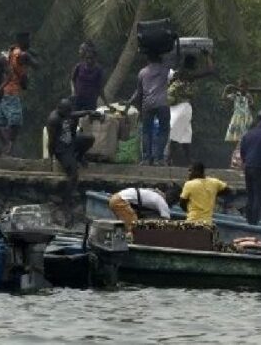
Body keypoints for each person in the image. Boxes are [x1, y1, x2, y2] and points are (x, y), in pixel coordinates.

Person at [46, 98, 99, 226]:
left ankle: (80, 156)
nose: (70, 114)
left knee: (89, 139)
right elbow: (52, 140)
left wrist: (89, 112)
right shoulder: (54, 120)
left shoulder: (67, 113)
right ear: (60, 110)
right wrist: (51, 157)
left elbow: (74, 114)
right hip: (62, 149)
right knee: (74, 174)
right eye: (67, 112)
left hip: (71, 142)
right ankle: (66, 200)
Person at [167, 51, 215, 165]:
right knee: (179, 133)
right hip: (183, 107)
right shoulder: (190, 75)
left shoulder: (176, 74)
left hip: (175, 106)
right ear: (192, 64)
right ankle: (168, 157)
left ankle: (187, 159)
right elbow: (210, 70)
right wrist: (207, 56)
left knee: (185, 134)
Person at [0, 32, 38, 157]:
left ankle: (6, 146)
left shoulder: (11, 51)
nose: (29, 43)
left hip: (4, 91)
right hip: (12, 91)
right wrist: (29, 55)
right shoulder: (22, 54)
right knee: (16, 122)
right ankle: (8, 146)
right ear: (23, 41)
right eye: (28, 41)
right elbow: (37, 65)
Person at [127, 51, 171, 166]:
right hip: (162, 104)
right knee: (163, 130)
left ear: (148, 59)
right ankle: (159, 159)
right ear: (160, 59)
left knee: (146, 131)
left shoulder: (142, 72)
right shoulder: (166, 70)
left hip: (147, 105)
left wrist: (129, 102)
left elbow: (139, 92)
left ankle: (146, 159)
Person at [108, 187, 174, 234]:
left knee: (125, 226)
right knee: (134, 227)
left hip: (114, 198)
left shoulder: (151, 194)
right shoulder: (162, 202)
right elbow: (167, 221)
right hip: (120, 201)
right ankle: (131, 244)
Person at [70, 41, 106, 111]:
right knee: (75, 117)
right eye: (87, 58)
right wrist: (73, 92)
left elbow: (100, 88)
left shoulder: (98, 70)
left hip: (90, 101)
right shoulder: (79, 66)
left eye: (81, 49)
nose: (89, 60)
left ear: (95, 58)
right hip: (78, 99)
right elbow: (72, 80)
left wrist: (106, 103)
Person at [223, 78, 254, 143]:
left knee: (244, 135)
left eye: (243, 86)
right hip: (237, 117)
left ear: (247, 87)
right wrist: (226, 89)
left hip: (246, 117)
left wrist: (249, 102)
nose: (242, 88)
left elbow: (252, 106)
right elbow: (224, 98)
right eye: (240, 86)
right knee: (235, 136)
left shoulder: (248, 95)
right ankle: (237, 148)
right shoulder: (236, 95)